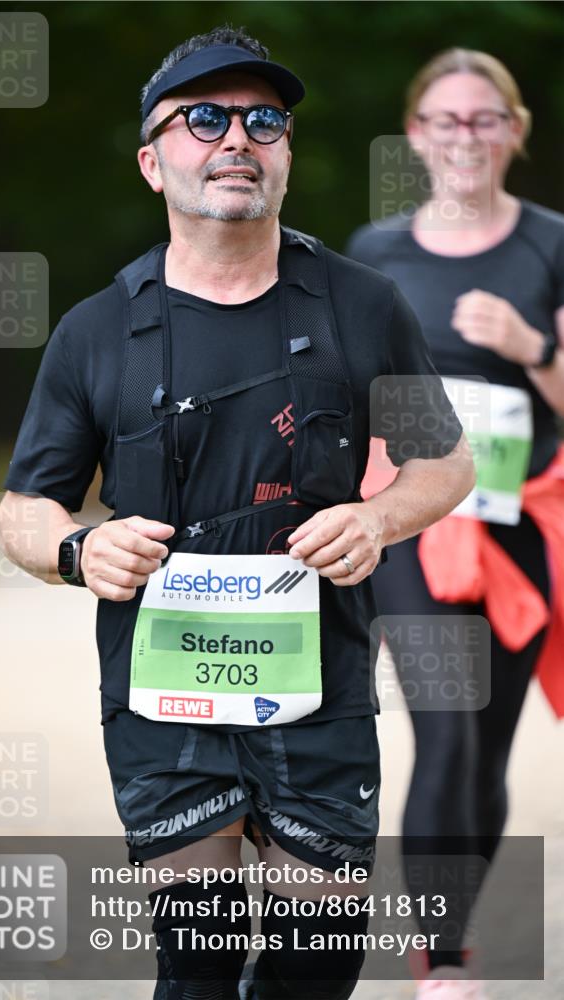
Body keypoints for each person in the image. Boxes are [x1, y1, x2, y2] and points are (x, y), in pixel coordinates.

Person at [0, 26, 475, 1000]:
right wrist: (79, 546)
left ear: (287, 154)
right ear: (151, 158)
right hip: (162, 694)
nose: (237, 140)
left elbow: (446, 461)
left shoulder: (364, 304)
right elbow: (24, 505)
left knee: (316, 964)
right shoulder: (96, 330)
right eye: (203, 118)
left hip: (320, 680)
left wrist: (379, 519)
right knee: (199, 960)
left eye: (265, 121)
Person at [347, 47, 564, 1000]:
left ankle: (457, 937)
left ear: (514, 132)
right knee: (444, 731)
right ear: (416, 136)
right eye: (445, 120)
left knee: (488, 736)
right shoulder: (375, 250)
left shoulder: (552, 244)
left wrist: (532, 346)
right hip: (414, 517)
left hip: (516, 519)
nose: (464, 136)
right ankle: (437, 962)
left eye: (484, 118)